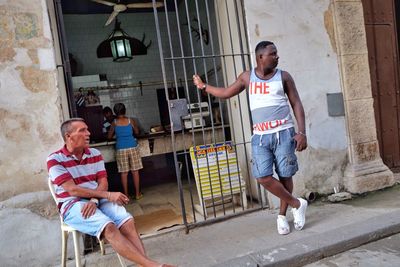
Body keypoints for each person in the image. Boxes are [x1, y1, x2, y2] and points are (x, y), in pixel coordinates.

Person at [192, 41, 308, 235]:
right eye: (273, 53)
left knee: (285, 175)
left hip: (283, 133)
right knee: (263, 176)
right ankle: (297, 204)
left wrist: (301, 132)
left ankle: (282, 217)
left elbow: (296, 103)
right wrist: (204, 87)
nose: (277, 56)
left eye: (277, 53)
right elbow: (226, 93)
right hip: (260, 137)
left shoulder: (284, 77)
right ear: (260, 57)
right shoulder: (247, 77)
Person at [47, 118, 174, 267]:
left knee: (128, 222)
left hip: (96, 199)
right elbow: (72, 189)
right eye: (82, 130)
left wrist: (94, 200)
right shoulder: (54, 159)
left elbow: (103, 182)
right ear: (68, 136)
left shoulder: (94, 153)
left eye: (87, 129)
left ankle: (146, 265)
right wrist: (107, 195)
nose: (88, 133)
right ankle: (152, 265)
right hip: (72, 203)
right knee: (109, 227)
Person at [108, 103, 143, 201]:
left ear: (115, 112)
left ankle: (126, 196)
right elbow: (136, 132)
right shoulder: (130, 120)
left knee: (124, 173)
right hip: (132, 147)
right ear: (125, 110)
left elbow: (109, 136)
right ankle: (137, 194)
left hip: (121, 148)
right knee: (135, 171)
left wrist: (117, 135)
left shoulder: (114, 122)